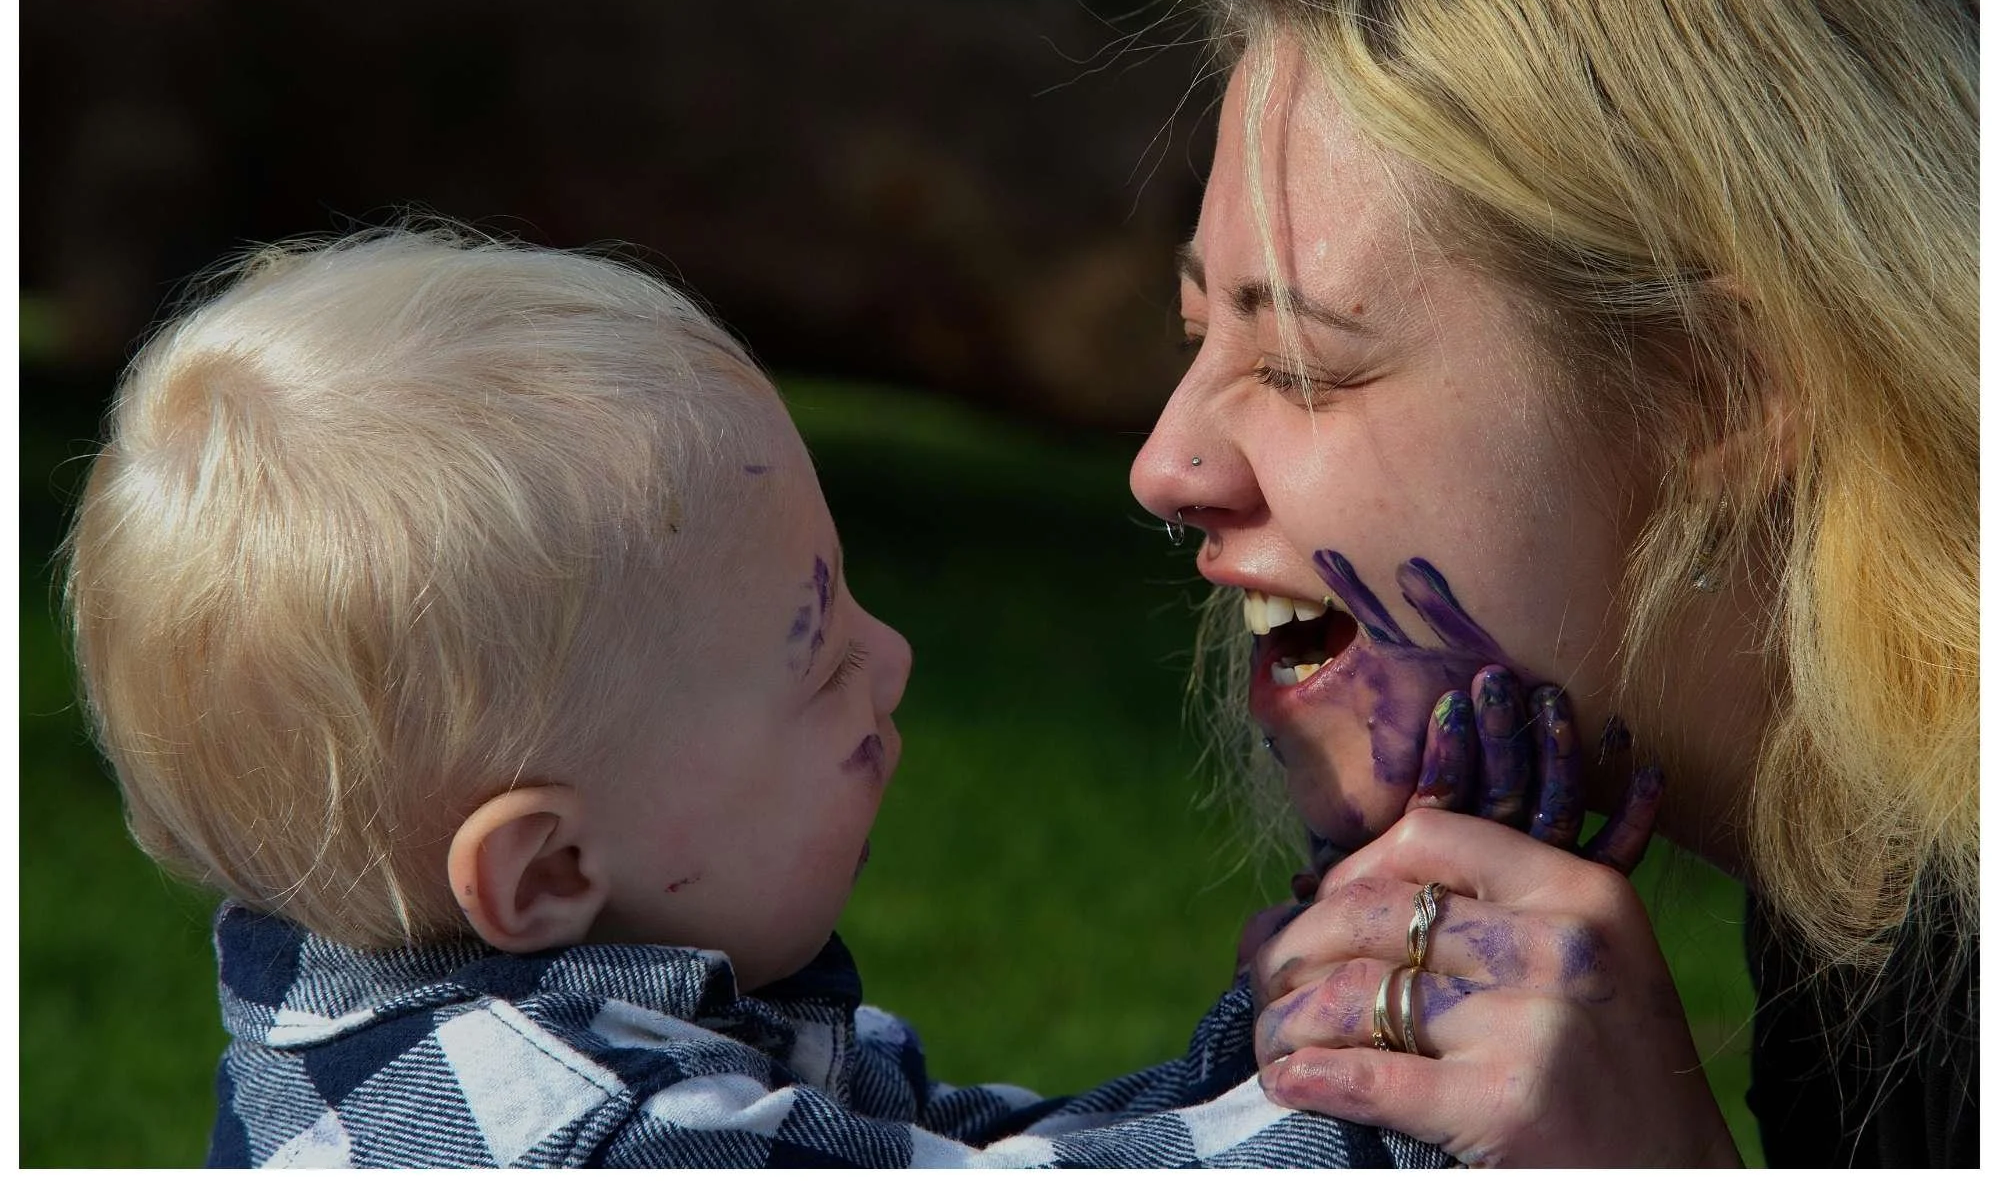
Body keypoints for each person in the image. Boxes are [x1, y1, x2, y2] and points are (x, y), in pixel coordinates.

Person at [64, 227, 1455, 1168]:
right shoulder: (590, 1139)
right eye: (816, 650)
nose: (893, 656)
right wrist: (1398, 1110)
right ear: (547, 866)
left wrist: (1301, 1012)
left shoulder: (444, 1022)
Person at [1129, 0, 1977, 1166]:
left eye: (1302, 365)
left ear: (1717, 387)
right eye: (1193, 334)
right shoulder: (1857, 889)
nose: (1166, 467)